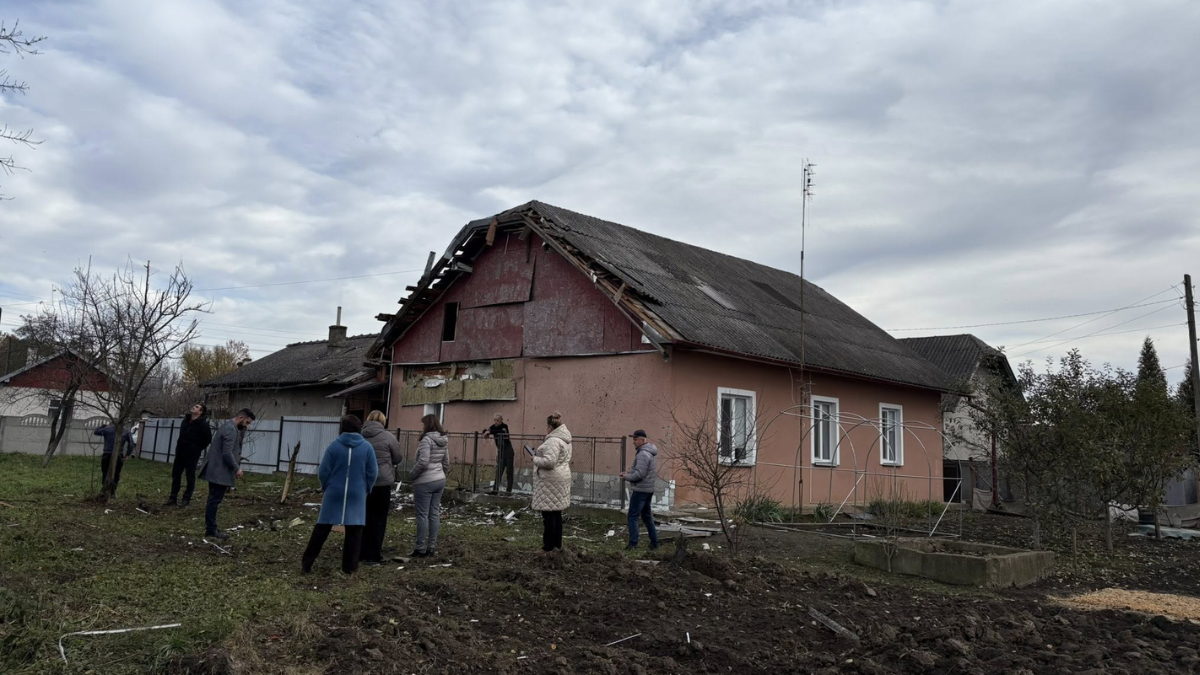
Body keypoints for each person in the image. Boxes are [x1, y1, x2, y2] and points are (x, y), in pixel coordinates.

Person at [302, 415, 378, 575]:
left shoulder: (333, 446)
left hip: (334, 491)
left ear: (342, 428)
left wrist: (325, 486)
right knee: (355, 530)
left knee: (322, 527)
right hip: (357, 492)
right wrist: (366, 488)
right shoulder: (367, 447)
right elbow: (373, 472)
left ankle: (307, 564)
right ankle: (349, 568)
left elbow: (323, 471)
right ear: (359, 428)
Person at [198, 408, 255, 540]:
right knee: (214, 500)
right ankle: (211, 529)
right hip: (219, 471)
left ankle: (211, 528)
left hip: (217, 469)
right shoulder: (230, 429)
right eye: (247, 422)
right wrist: (236, 469)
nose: (247, 425)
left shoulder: (228, 426)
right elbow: (227, 453)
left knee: (213, 499)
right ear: (241, 418)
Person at [359, 410, 402, 565]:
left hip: (362, 483)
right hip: (382, 483)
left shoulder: (360, 436)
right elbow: (397, 458)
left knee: (363, 517)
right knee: (379, 519)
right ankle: (374, 554)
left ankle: (360, 552)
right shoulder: (388, 436)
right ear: (383, 421)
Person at [532, 411, 572, 553]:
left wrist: (535, 459)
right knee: (556, 514)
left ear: (550, 426)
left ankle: (548, 546)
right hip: (560, 479)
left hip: (550, 482)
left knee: (548, 516)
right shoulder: (565, 440)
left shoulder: (553, 440)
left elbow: (549, 462)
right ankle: (557, 545)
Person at [409, 414, 449, 558]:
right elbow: (446, 462)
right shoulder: (444, 439)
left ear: (427, 425)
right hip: (439, 480)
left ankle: (420, 548)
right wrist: (441, 474)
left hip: (424, 482)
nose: (421, 427)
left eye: (423, 424)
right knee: (434, 513)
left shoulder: (426, 440)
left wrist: (412, 475)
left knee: (422, 515)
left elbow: (423, 462)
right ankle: (431, 547)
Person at [166, 403, 213, 507]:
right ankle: (173, 497)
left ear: (200, 412)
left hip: (192, 455)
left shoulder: (203, 424)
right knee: (176, 474)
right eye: (194, 406)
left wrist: (196, 448)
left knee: (189, 476)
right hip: (180, 452)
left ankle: (186, 498)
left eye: (197, 407)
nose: (193, 407)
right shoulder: (185, 421)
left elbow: (207, 439)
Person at [620, 429, 659, 550]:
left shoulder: (643, 453)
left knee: (632, 516)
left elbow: (640, 474)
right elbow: (641, 471)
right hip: (648, 489)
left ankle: (633, 544)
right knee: (647, 517)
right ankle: (654, 543)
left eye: (636, 440)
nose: (634, 442)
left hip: (641, 490)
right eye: (633, 439)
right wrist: (629, 473)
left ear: (643, 440)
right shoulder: (649, 452)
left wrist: (627, 477)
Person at [94, 422, 135, 494]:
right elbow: (131, 444)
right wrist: (127, 454)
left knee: (105, 472)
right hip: (119, 455)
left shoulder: (107, 429)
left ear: (111, 423)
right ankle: (113, 491)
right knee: (116, 473)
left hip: (107, 454)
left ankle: (104, 489)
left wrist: (102, 426)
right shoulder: (125, 431)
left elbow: (96, 432)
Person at [483, 413, 515, 494]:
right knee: (499, 472)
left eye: (497, 420)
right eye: (495, 420)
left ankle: (508, 491)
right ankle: (495, 490)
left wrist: (490, 432)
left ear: (501, 420)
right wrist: (486, 432)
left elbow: (501, 431)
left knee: (509, 472)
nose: (496, 422)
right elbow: (486, 430)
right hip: (500, 451)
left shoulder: (505, 426)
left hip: (508, 451)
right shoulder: (493, 427)